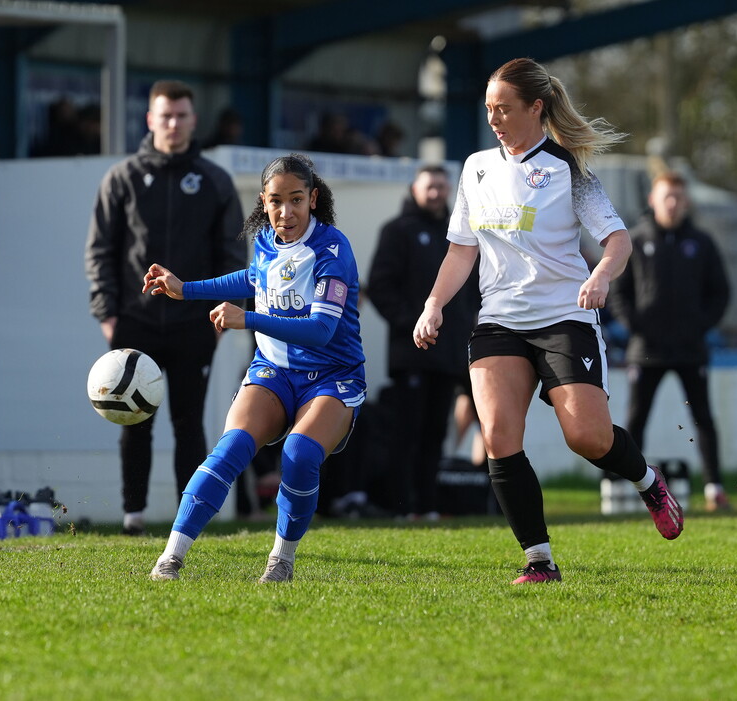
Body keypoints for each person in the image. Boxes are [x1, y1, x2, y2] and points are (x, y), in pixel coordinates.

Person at [413, 57, 685, 585]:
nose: (494, 119)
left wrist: (602, 276)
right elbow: (460, 253)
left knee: (587, 437)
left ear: (536, 108)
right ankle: (540, 562)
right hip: (499, 323)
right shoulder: (474, 168)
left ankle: (649, 481)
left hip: (564, 318)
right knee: (497, 435)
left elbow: (618, 241)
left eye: (505, 109)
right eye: (488, 109)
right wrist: (433, 305)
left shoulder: (567, 169)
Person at [145, 153, 366, 582]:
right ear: (263, 202)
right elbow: (253, 279)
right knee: (229, 450)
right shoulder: (265, 241)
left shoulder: (334, 250)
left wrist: (246, 319)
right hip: (273, 372)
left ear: (313, 199)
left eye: (297, 199)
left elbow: (321, 330)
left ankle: (281, 559)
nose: (286, 212)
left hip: (332, 376)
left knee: (299, 455)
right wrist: (184, 289)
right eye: (276, 201)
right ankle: (170, 558)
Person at [85, 80, 246, 536]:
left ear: (193, 121)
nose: (173, 124)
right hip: (134, 320)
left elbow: (234, 253)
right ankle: (132, 514)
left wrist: (224, 308)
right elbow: (100, 250)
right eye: (165, 115)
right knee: (132, 418)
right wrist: (107, 313)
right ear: (150, 120)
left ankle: (185, 520)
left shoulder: (214, 180)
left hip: (195, 321)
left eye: (181, 116)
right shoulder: (123, 178)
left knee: (188, 422)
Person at [608, 171, 731, 511]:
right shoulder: (636, 240)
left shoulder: (702, 243)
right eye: (667, 197)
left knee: (703, 418)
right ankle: (626, 492)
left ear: (686, 200)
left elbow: (720, 293)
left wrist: (700, 326)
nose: (673, 203)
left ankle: (714, 489)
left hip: (691, 350)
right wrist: (636, 326)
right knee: (635, 420)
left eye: (678, 197)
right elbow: (619, 292)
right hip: (646, 351)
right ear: (653, 200)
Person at [367, 164, 480, 519]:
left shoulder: (460, 236)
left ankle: (429, 508)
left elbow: (473, 292)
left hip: (449, 356)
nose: (436, 193)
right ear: (414, 189)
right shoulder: (397, 231)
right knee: (407, 433)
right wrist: (412, 324)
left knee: (435, 435)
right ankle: (403, 507)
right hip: (411, 355)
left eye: (442, 187)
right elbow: (380, 287)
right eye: (430, 186)